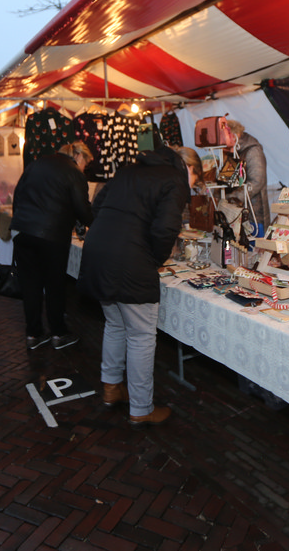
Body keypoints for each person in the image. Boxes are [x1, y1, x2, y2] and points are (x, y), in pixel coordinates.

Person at [78, 145, 201, 426]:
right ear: (189, 168)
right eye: (195, 179)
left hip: (99, 252)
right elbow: (166, 228)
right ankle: (141, 408)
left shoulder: (128, 171)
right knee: (141, 336)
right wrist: (153, 259)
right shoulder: (175, 179)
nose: (192, 185)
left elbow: (96, 206)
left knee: (115, 324)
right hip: (131, 261)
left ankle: (111, 388)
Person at [10, 141, 94, 350]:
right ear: (79, 157)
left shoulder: (36, 164)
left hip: (23, 231)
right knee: (54, 285)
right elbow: (83, 209)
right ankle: (58, 333)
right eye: (86, 163)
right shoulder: (74, 172)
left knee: (30, 286)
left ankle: (33, 334)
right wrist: (96, 225)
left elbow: (18, 195)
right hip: (52, 235)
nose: (84, 168)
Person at [225, 119, 270, 243]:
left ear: (235, 135)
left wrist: (233, 198)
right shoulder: (234, 151)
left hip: (254, 212)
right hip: (238, 212)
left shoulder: (253, 151)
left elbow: (257, 181)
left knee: (254, 247)